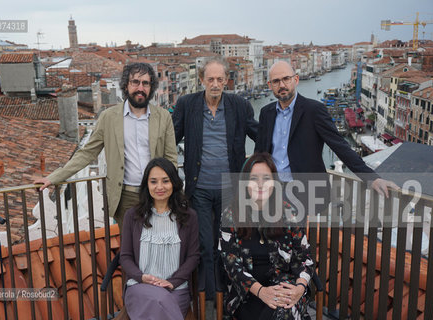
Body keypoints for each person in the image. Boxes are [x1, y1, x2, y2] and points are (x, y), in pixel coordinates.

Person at [34, 62, 178, 229]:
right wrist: (54, 178)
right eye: (135, 82)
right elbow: (87, 153)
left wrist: (170, 191)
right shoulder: (109, 117)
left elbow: (171, 159)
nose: (140, 88)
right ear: (126, 85)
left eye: (145, 83)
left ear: (151, 87)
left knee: (159, 242)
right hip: (126, 197)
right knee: (132, 248)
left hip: (157, 194)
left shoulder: (163, 117)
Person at [255, 61, 398, 214]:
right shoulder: (266, 113)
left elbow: (340, 145)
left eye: (286, 79)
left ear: (296, 80)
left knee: (303, 236)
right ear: (270, 85)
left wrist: (372, 177)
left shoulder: (314, 110)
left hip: (304, 192)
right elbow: (260, 153)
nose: (282, 85)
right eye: (276, 81)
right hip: (272, 190)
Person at [172, 56, 258, 300]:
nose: (215, 84)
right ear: (202, 80)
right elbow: (170, 138)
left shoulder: (239, 105)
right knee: (205, 245)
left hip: (230, 190)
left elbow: (260, 135)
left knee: (228, 245)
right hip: (199, 189)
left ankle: (226, 295)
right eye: (210, 79)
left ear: (227, 81)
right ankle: (209, 297)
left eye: (220, 79)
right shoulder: (187, 104)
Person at [219, 152, 314, 320]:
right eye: (254, 178)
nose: (260, 185)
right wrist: (262, 292)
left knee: (282, 312)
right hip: (247, 291)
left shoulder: (289, 213)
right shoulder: (231, 215)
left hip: (285, 286)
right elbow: (231, 263)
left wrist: (299, 288)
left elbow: (304, 259)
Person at [120, 158, 200, 320]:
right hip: (140, 287)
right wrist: (142, 277)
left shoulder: (189, 217)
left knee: (163, 304)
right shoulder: (132, 216)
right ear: (146, 185)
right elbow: (125, 257)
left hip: (175, 289)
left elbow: (194, 256)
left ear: (174, 184)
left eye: (165, 181)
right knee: (160, 302)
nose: (160, 187)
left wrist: (172, 282)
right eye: (153, 182)